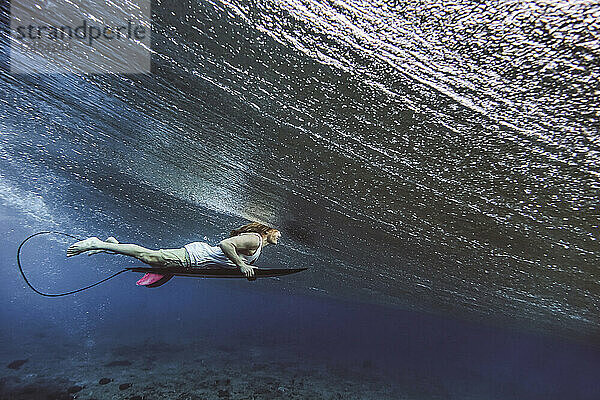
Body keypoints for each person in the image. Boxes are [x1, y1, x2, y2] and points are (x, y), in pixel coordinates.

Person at [66, 222, 281, 278]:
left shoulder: (257, 245)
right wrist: (242, 265)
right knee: (146, 255)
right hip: (193, 258)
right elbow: (225, 245)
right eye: (276, 231)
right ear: (267, 231)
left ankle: (113, 245)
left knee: (148, 258)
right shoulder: (254, 238)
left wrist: (246, 266)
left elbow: (232, 258)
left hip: (196, 259)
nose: (279, 235)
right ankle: (97, 243)